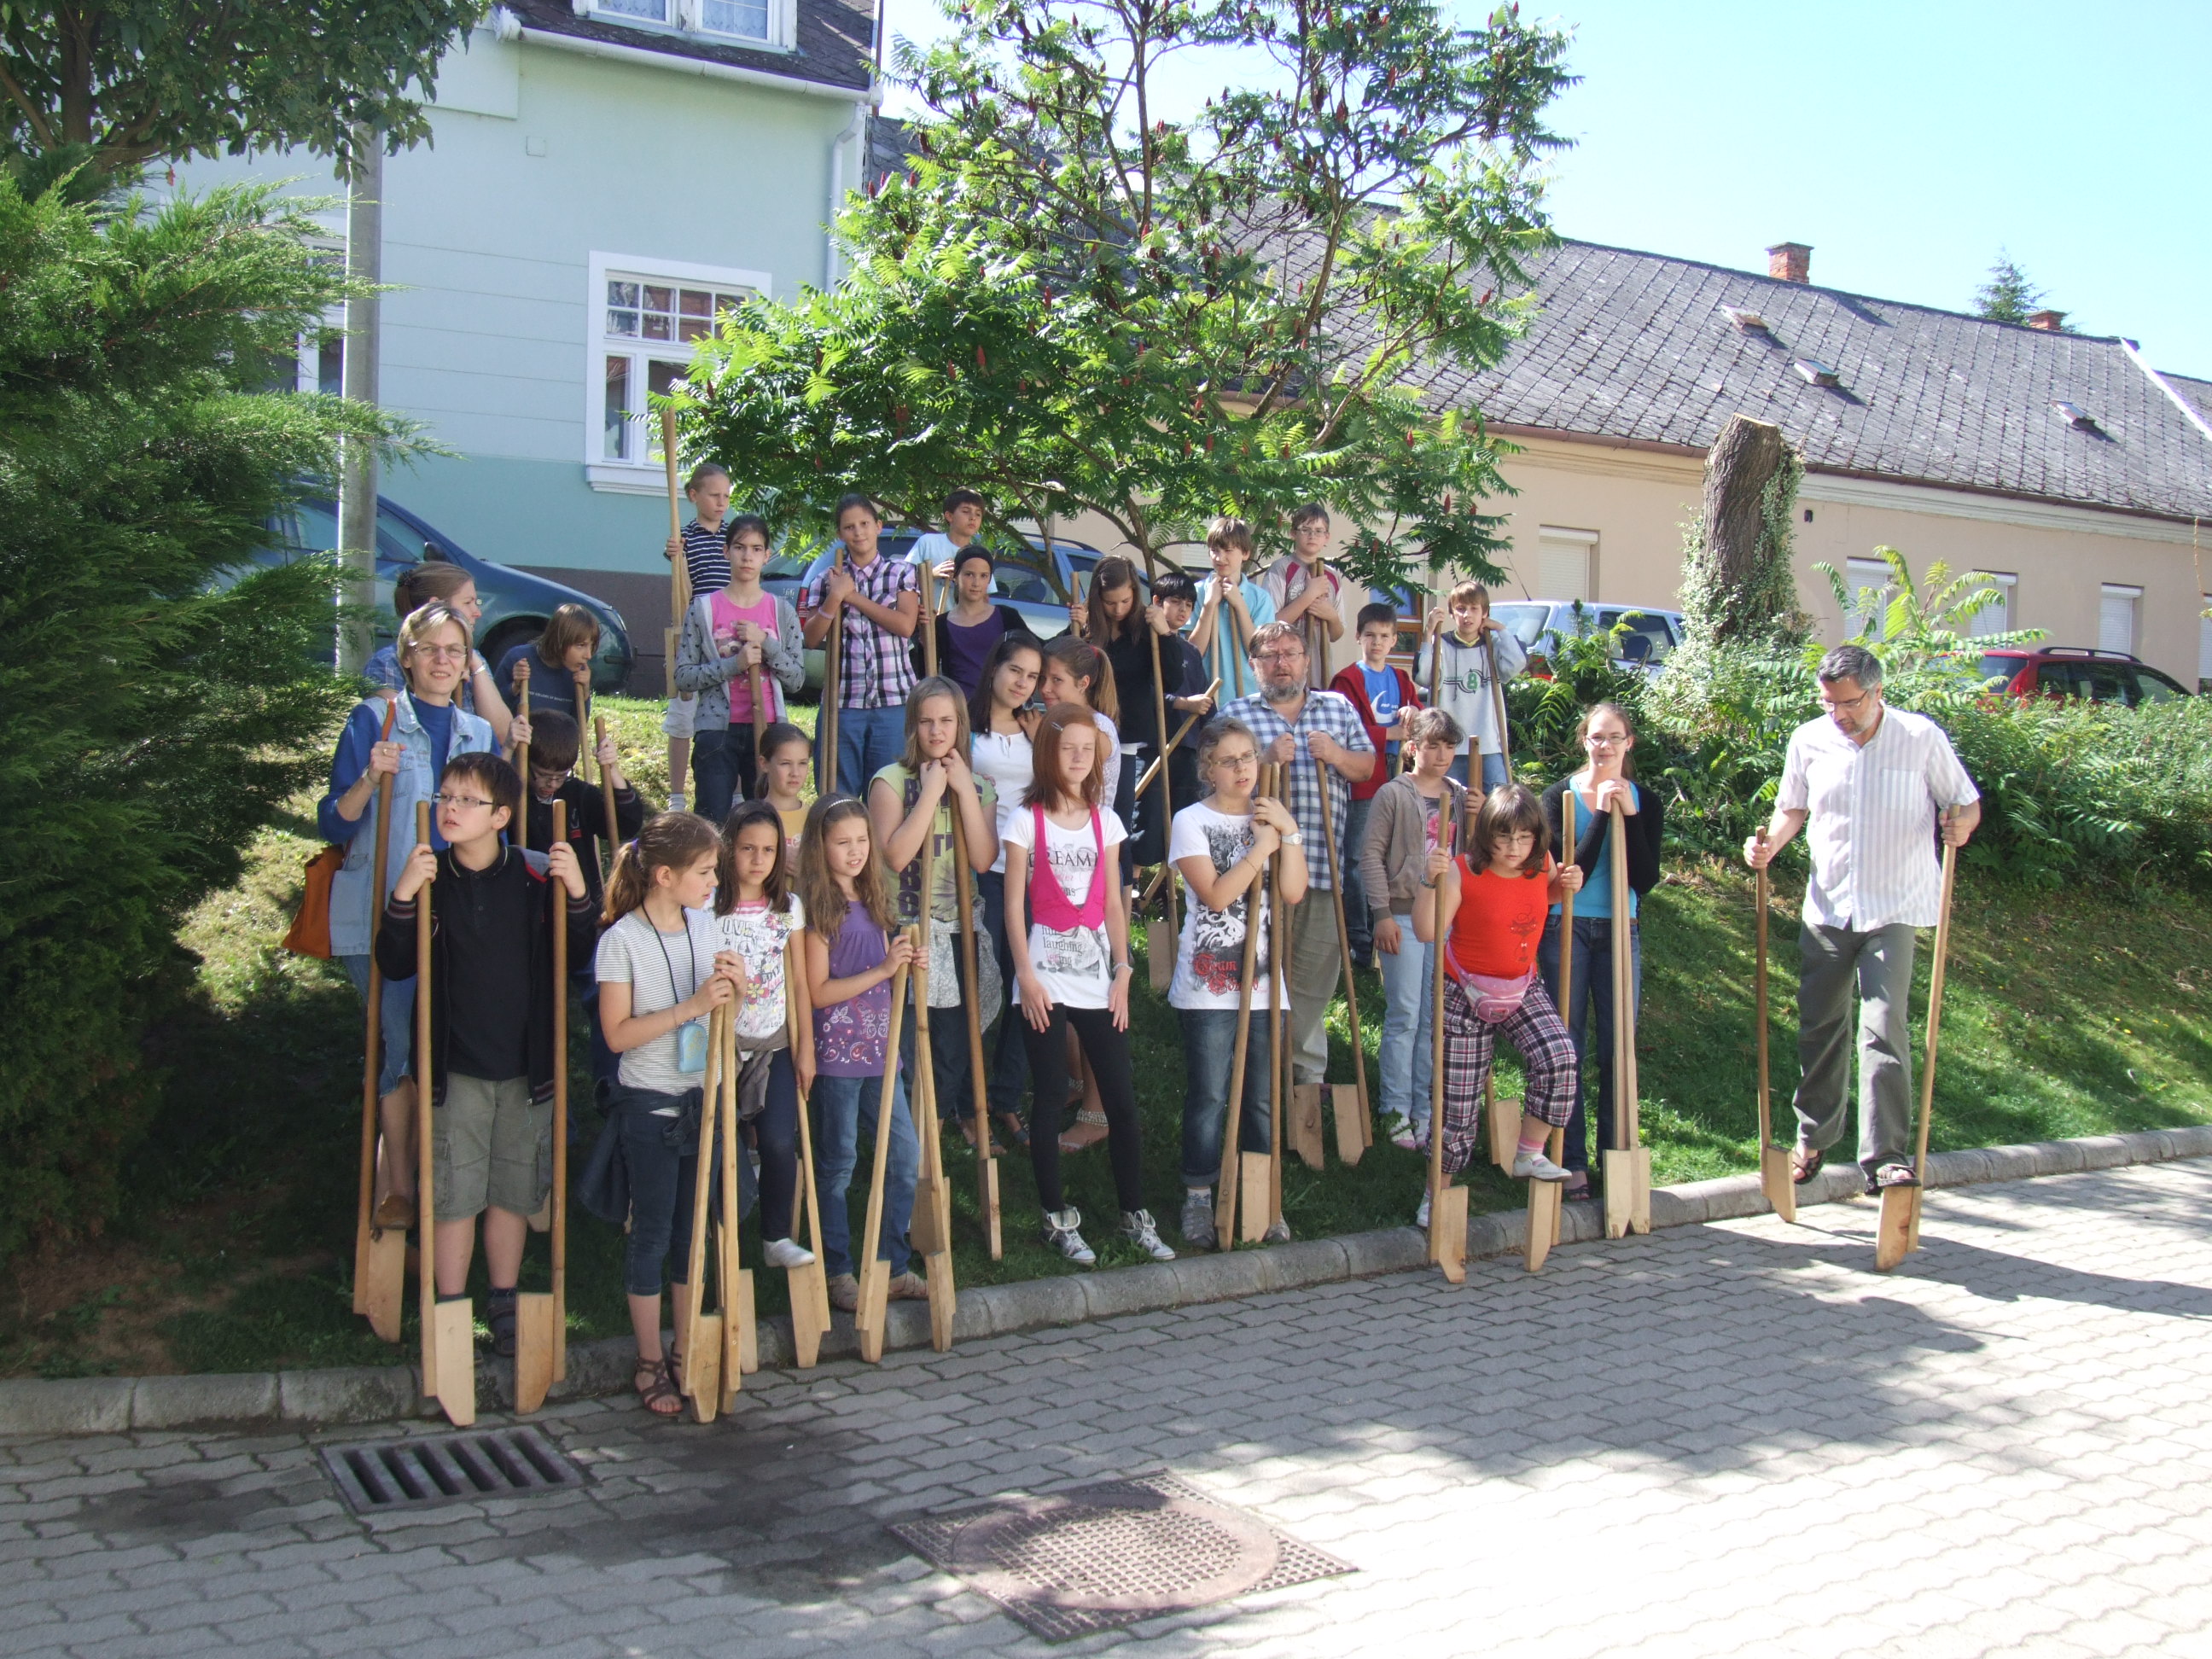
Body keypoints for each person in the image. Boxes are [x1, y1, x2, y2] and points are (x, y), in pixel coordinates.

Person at [375, 752, 597, 1358]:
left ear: (501, 816)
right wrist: (403, 895)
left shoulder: (535, 878)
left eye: (467, 800)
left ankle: (502, 1300)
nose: (450, 809)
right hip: (454, 1070)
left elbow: (580, 953)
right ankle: (449, 1309)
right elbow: (394, 962)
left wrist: (578, 891)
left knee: (512, 1192)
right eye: (446, 797)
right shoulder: (430, 878)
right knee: (453, 1194)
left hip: (527, 1069)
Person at [1744, 643, 1980, 1193]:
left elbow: (1965, 801)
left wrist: (1962, 825)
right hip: (1828, 906)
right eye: (1828, 703)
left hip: (1893, 908)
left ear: (1877, 692)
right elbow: (1792, 808)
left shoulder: (1921, 738)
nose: (1838, 714)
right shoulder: (1809, 739)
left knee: (1884, 1027)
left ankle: (1886, 1157)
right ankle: (1813, 1137)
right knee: (1820, 1027)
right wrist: (1769, 845)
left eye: (1848, 703)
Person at [319, 601, 498, 1226]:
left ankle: (436, 1181)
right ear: (407, 658)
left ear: (467, 661)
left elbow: (492, 832)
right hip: (382, 918)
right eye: (430, 650)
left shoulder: (479, 735)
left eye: (454, 651)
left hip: (455, 923)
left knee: (440, 1049)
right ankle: (401, 1189)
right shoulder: (375, 720)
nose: (442, 661)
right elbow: (332, 822)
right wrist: (370, 778)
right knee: (399, 1046)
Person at [1003, 703, 1175, 1265]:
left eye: (1087, 749)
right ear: (1047, 753)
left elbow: (1113, 904)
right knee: (1052, 1093)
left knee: (1120, 1098)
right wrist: (1025, 975)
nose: (1078, 758)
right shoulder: (1026, 819)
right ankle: (1055, 1216)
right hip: (1044, 976)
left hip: (1098, 978)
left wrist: (1124, 970)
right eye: (1067, 748)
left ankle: (1133, 1214)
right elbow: (1013, 905)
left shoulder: (1107, 821)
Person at [591, 812, 739, 1418]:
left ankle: (686, 1347)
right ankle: (649, 1358)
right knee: (651, 1233)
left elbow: (726, 1013)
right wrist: (693, 1006)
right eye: (704, 872)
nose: (714, 882)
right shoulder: (621, 940)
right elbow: (617, 1035)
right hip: (650, 1107)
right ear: (664, 876)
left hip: (703, 1101)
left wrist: (735, 989)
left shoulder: (706, 926)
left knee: (691, 1233)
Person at [1412, 783, 1583, 1216]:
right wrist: (1428, 881)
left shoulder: (1540, 865)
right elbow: (1426, 931)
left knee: (1559, 1057)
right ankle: (1436, 1194)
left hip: (1522, 986)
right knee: (1456, 1106)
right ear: (1486, 833)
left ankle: (1528, 1153)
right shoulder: (1462, 871)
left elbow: (1544, 897)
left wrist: (1568, 884)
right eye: (1504, 837)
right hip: (1464, 992)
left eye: (1524, 838)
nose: (1514, 848)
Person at [1220, 621, 1375, 1096]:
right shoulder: (1235, 716)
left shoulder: (1338, 708)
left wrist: (1337, 755)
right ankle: (1257, 1071)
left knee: (1313, 979)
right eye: (1269, 655)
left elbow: (1367, 768)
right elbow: (1212, 784)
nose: (1281, 663)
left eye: (1290, 653)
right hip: (1254, 873)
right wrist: (1262, 760)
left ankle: (1304, 1076)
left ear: (1307, 660)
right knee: (1254, 974)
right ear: (1253, 665)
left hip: (1322, 867)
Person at [1168, 718, 1306, 1249]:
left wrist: (1288, 834)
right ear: (1208, 768)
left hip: (1266, 985)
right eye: (1228, 760)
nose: (1242, 768)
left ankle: (1262, 1197)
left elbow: (1292, 893)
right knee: (1209, 1096)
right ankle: (1199, 1195)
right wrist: (1261, 849)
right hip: (1209, 986)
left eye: (1248, 756)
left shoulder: (1270, 817)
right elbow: (1217, 895)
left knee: (1263, 1099)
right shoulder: (1190, 821)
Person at [796, 795, 927, 1312]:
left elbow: (883, 966)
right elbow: (817, 992)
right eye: (842, 842)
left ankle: (892, 1265)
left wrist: (904, 961)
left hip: (882, 1050)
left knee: (905, 1156)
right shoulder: (818, 910)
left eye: (862, 840)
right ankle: (836, 1271)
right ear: (820, 847)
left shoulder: (874, 896)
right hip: (836, 1057)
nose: (855, 851)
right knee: (839, 1163)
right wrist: (882, 970)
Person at [1538, 703, 1665, 1202]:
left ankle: (1616, 1157)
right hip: (1566, 927)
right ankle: (1571, 1161)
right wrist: (1604, 814)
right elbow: (1572, 871)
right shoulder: (1559, 797)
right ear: (1584, 741)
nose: (1605, 746)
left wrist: (1629, 816)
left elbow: (1645, 879)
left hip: (1620, 928)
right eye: (1596, 737)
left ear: (1629, 743)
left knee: (1619, 1047)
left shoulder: (1646, 801)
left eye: (1614, 737)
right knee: (1567, 1047)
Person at [870, 678, 999, 1142]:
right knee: (909, 1042)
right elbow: (893, 856)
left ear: (960, 724)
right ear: (912, 725)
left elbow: (983, 860)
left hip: (958, 930)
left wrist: (963, 791)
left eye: (946, 721)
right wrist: (929, 794)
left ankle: (931, 1135)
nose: (936, 731)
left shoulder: (979, 788)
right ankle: (903, 1140)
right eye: (926, 721)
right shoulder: (889, 782)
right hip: (904, 931)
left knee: (952, 1045)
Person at [710, 802, 819, 1272]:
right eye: (747, 849)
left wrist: (805, 1048)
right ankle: (720, 1234)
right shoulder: (707, 906)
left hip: (774, 1043)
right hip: (719, 1047)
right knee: (721, 1144)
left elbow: (800, 983)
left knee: (777, 1141)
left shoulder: (787, 907)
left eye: (769, 850)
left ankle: (775, 1236)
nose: (758, 860)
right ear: (727, 849)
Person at [518, 707, 645, 1097]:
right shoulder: (514, 796)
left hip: (585, 921)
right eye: (542, 775)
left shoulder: (575, 795)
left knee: (605, 998)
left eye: (560, 776)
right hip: (531, 925)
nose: (550, 784)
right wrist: (509, 752)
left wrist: (614, 773)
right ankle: (549, 1106)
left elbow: (627, 823)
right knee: (539, 1013)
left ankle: (611, 1087)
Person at [1357, 708, 1468, 1152]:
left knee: (1434, 1016)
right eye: (1432, 746)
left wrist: (1481, 815)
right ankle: (1395, 1107)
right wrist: (1382, 913)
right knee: (1404, 1013)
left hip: (1446, 917)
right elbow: (1370, 855)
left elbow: (1473, 856)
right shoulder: (1393, 794)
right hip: (1402, 914)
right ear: (1412, 748)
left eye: (1449, 746)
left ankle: (1426, 1107)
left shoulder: (1461, 796)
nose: (1441, 755)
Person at [966, 633, 1045, 1150]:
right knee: (981, 984)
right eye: (1015, 670)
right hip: (982, 871)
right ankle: (965, 1101)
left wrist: (1044, 745)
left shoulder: (1037, 728)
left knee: (1028, 985)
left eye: (1032, 676)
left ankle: (1005, 1097)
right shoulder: (966, 731)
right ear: (994, 667)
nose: (1023, 683)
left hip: (1033, 873)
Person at [674, 513, 806, 821]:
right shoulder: (703, 609)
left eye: (756, 549)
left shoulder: (781, 611)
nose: (748, 557)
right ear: (726, 551)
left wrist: (767, 643)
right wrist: (735, 664)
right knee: (713, 819)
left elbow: (797, 679)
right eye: (740, 547)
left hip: (768, 729)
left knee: (765, 818)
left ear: (767, 556)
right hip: (716, 730)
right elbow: (683, 677)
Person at [800, 494, 921, 797]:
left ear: (878, 526)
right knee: (838, 794)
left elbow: (905, 626)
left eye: (865, 524)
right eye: (849, 527)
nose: (858, 532)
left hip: (894, 700)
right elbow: (811, 638)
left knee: (888, 792)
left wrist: (853, 597)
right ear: (840, 534)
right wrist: (835, 597)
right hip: (843, 702)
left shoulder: (900, 573)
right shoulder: (826, 580)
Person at [1330, 601, 1421, 969]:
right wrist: (1387, 734)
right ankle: (1360, 939)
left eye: (1385, 636)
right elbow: (1342, 729)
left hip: (1396, 772)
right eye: (1371, 636)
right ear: (1358, 637)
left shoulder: (1401, 680)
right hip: (1364, 775)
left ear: (1395, 639)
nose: (1378, 643)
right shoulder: (1347, 680)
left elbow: (1419, 719)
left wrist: (1414, 713)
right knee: (1357, 857)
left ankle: (1384, 924)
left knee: (1389, 854)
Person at [363, 559, 515, 743]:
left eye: (477, 602)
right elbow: (396, 733)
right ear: (437, 606)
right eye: (468, 602)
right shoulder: (389, 661)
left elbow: (501, 735)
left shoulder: (473, 658)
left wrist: (476, 666)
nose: (477, 612)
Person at [659, 462, 735, 813]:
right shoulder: (685, 538)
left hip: (729, 634)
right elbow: (682, 584)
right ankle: (676, 796)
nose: (721, 503)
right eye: (714, 495)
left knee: (732, 714)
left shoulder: (733, 537)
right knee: (683, 713)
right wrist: (676, 554)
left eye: (726, 496)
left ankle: (736, 792)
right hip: (694, 632)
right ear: (694, 496)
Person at [1414, 582, 1526, 791]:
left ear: (1485, 613)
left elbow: (1516, 664)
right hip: (1449, 744)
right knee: (1449, 799)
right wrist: (1428, 633)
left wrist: (1500, 629)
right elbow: (1423, 676)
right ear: (1452, 613)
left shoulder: (1492, 645)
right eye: (1461, 609)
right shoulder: (1442, 644)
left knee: (1498, 798)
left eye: (1474, 608)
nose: (1467, 615)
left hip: (1488, 742)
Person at [1185, 515, 1276, 702]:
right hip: (1206, 698)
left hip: (1248, 697)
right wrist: (1209, 605)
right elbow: (1193, 653)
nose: (1220, 558)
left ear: (1245, 553)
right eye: (1214, 550)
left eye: (1228, 550)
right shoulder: (1197, 593)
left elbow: (1259, 652)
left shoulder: (1260, 599)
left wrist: (1239, 605)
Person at [1259, 502, 1348, 688]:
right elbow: (1270, 625)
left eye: (1319, 531)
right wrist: (1309, 596)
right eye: (1305, 529)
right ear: (1293, 533)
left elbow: (1336, 634)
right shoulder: (1281, 569)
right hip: (1286, 663)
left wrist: (1331, 616)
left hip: (1321, 665)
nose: (1312, 535)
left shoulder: (1332, 576)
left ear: (1327, 537)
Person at [921, 546, 1029, 697]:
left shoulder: (1007, 616)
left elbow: (1037, 650)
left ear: (989, 580)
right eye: (969, 574)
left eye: (983, 576)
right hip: (960, 705)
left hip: (997, 704)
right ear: (955, 576)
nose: (976, 583)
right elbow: (923, 670)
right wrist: (921, 634)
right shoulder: (941, 624)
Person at [498, 604, 602, 723]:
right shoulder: (518, 658)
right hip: (520, 734)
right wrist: (514, 687)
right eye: (581, 645)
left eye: (591, 646)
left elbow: (577, 726)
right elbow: (492, 712)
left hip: (559, 735)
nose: (588, 655)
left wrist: (584, 693)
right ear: (559, 639)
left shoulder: (577, 673)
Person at [756, 722, 813, 861]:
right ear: (764, 763)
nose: (795, 773)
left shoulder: (816, 817)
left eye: (802, 763)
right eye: (785, 763)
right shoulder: (751, 818)